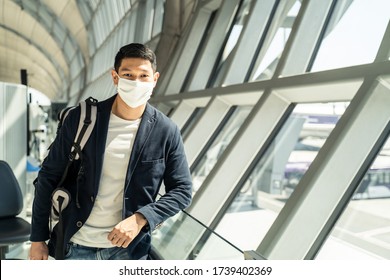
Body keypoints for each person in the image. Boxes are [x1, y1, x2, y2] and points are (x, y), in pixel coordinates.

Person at [29, 43, 193, 260]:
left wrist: (141, 218)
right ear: (115, 78)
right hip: (75, 246)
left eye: (144, 75)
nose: (136, 82)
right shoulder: (83, 119)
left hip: (129, 251)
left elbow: (182, 190)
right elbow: (48, 176)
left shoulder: (166, 131)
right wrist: (38, 239)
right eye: (128, 74)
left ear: (155, 79)